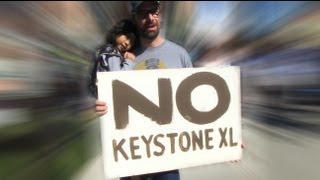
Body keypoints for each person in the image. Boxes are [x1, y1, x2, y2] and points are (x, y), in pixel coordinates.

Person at [95, 1, 193, 179]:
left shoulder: (180, 55)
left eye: (153, 11)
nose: (149, 18)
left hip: (168, 161)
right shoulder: (121, 57)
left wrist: (226, 139)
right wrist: (102, 107)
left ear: (160, 13)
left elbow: (196, 104)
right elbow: (110, 98)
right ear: (134, 17)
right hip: (131, 160)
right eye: (142, 13)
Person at [89, 18, 139, 99]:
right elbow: (118, 77)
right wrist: (129, 61)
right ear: (118, 32)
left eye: (132, 42)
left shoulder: (103, 50)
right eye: (127, 36)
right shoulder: (111, 52)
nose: (127, 43)